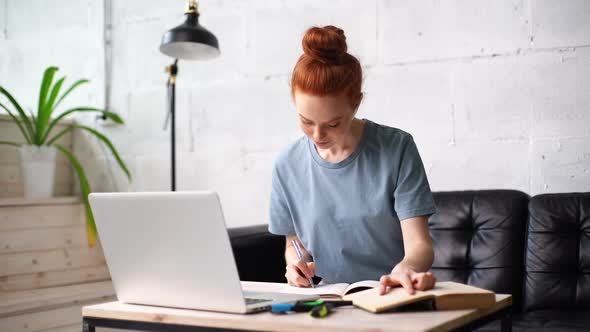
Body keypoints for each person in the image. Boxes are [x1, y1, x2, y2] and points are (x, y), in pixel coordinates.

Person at [268, 25, 437, 295]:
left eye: (333, 124)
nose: (318, 135)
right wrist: (295, 265)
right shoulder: (286, 164)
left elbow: (420, 245)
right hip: (326, 298)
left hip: (392, 292)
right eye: (306, 121)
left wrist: (408, 267)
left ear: (356, 103)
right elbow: (293, 244)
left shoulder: (397, 148)